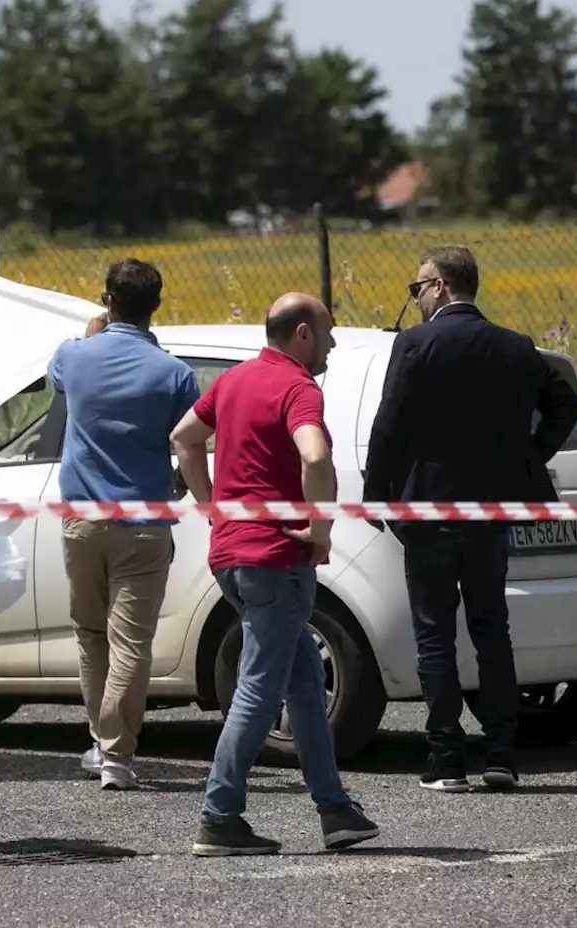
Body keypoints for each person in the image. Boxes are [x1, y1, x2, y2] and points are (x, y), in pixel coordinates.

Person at [362, 246, 577, 793]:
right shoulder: (513, 346)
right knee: (492, 630)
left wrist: (376, 495)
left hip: (430, 511)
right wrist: (531, 456)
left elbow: (389, 423)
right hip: (492, 511)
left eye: (417, 289)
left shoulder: (415, 344)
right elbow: (568, 405)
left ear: (438, 286)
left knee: (435, 634)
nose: (414, 299)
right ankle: (502, 754)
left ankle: (446, 758)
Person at [171, 292, 379, 857]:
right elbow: (314, 457)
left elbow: (183, 439)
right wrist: (320, 531)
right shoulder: (298, 388)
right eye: (329, 332)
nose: (333, 343)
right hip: (276, 559)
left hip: (232, 557)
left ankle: (335, 810)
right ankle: (220, 816)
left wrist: (212, 506)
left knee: (305, 681)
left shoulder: (234, 381)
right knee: (260, 687)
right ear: (304, 334)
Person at [47, 259, 199, 791]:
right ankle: (117, 755)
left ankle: (100, 741)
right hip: (145, 523)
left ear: (108, 299)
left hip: (83, 521)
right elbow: (193, 436)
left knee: (91, 636)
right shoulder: (175, 374)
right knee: (131, 642)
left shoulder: (76, 356)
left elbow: (56, 374)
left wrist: (95, 329)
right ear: (156, 304)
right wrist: (181, 480)